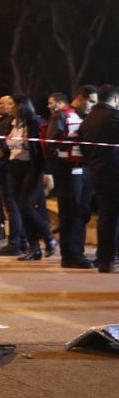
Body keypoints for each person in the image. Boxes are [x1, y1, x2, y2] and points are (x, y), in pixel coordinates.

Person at [1, 96, 54, 261]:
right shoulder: (12, 124)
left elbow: (45, 149)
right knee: (21, 208)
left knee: (26, 206)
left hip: (32, 168)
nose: (7, 107)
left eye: (11, 104)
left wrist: (47, 172)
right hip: (14, 168)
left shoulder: (35, 123)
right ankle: (34, 248)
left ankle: (49, 237)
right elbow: (9, 146)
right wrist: (1, 153)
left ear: (21, 106)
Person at [49, 85, 97, 268]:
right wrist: (77, 141)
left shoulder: (85, 117)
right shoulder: (62, 114)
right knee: (71, 211)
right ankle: (70, 255)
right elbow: (52, 142)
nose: (92, 106)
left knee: (83, 212)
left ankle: (78, 253)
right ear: (79, 98)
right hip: (69, 169)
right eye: (90, 101)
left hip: (84, 169)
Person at [80, 85, 119, 273]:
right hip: (115, 172)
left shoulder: (87, 120)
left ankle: (105, 259)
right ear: (115, 99)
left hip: (97, 172)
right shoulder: (113, 117)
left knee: (106, 216)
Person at [0, 96, 25, 256]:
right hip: (7, 169)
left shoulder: (10, 123)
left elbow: (7, 145)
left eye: (2, 103)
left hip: (7, 170)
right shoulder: (8, 123)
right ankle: (20, 241)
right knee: (13, 207)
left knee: (12, 207)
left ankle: (15, 242)